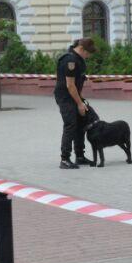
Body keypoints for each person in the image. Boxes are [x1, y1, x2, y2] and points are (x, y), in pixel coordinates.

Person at [55, 38, 95, 169]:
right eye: (88, 53)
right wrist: (79, 104)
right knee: (71, 124)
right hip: (65, 97)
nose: (89, 56)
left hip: (74, 95)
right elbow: (70, 85)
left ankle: (79, 156)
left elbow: (78, 84)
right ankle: (65, 159)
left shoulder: (79, 59)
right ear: (82, 49)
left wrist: (81, 101)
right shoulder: (70, 60)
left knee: (81, 123)